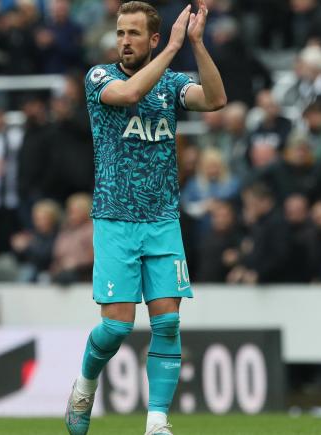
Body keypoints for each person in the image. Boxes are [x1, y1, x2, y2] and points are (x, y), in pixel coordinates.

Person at [66, 2, 226, 435]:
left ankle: (157, 423)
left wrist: (195, 44)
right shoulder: (100, 77)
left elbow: (215, 99)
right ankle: (85, 384)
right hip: (116, 219)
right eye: (120, 32)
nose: (124, 41)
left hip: (162, 220)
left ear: (152, 39)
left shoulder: (171, 85)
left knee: (168, 322)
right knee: (116, 326)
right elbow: (131, 94)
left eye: (134, 33)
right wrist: (175, 47)